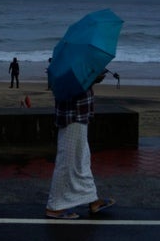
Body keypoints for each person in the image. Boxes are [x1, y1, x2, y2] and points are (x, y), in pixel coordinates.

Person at [45, 73, 114, 220]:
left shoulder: (70, 62)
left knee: (82, 158)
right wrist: (94, 77)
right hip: (72, 115)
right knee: (67, 160)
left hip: (79, 114)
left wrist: (93, 77)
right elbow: (75, 85)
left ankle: (92, 199)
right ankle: (54, 207)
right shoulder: (72, 66)